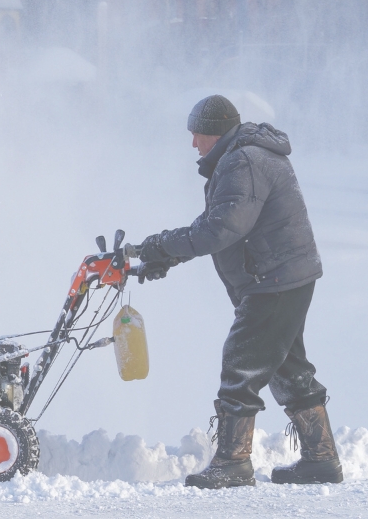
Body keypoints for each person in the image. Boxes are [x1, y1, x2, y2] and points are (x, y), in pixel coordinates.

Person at [134, 94, 343, 488]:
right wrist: (166, 254)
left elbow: (220, 229)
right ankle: (321, 459)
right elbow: (219, 221)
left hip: (274, 280)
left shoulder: (243, 160)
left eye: (197, 134)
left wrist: (162, 245)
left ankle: (233, 461)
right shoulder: (242, 157)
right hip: (283, 276)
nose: (193, 143)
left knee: (241, 362)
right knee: (287, 368)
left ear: (216, 132)